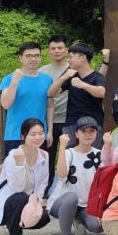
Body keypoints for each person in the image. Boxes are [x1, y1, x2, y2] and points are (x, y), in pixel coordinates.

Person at [0, 118, 51, 235]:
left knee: (44, 218)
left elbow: (43, 181)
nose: (38, 137)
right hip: (6, 204)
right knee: (20, 197)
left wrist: (36, 201)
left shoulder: (44, 155)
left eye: (41, 133)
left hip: (25, 201)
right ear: (23, 136)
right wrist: (19, 164)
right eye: (33, 134)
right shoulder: (12, 158)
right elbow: (17, 188)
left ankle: (12, 224)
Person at [47, 117, 111, 235]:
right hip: (62, 203)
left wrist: (108, 147)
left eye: (92, 131)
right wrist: (62, 147)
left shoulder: (99, 154)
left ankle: (78, 220)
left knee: (97, 226)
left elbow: (105, 181)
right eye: (83, 131)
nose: (88, 134)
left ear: (96, 133)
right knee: (71, 197)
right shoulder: (69, 153)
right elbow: (62, 175)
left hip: (85, 204)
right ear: (76, 134)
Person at [0, 41, 53, 157]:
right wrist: (15, 81)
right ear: (21, 58)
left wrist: (49, 131)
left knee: (39, 166)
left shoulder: (47, 80)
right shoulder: (9, 79)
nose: (33, 59)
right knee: (15, 167)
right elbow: (5, 104)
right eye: (29, 56)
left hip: (39, 135)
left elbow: (49, 106)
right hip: (15, 134)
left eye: (37, 55)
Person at [48, 43, 107, 148]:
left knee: (92, 154)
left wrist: (83, 85)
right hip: (72, 122)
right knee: (69, 154)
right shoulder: (71, 76)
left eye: (71, 57)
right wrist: (63, 77)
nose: (68, 60)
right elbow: (51, 93)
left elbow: (101, 92)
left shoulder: (97, 77)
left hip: (93, 123)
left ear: (83, 58)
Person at [39, 35, 73, 199]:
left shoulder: (74, 69)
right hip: (48, 121)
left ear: (66, 50)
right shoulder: (42, 71)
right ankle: (45, 191)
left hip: (69, 119)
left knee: (69, 156)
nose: (57, 51)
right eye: (53, 48)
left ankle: (69, 190)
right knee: (48, 157)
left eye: (60, 48)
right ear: (48, 51)